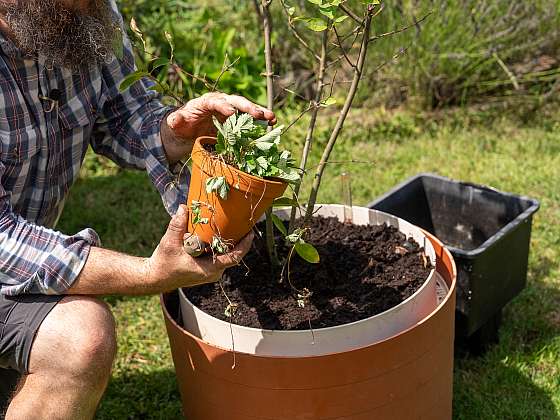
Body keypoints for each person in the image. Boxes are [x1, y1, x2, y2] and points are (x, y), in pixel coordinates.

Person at [0, 1, 272, 418]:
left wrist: (172, 132)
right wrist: (148, 273)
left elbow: (122, 114)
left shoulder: (86, 12)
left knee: (79, 340)